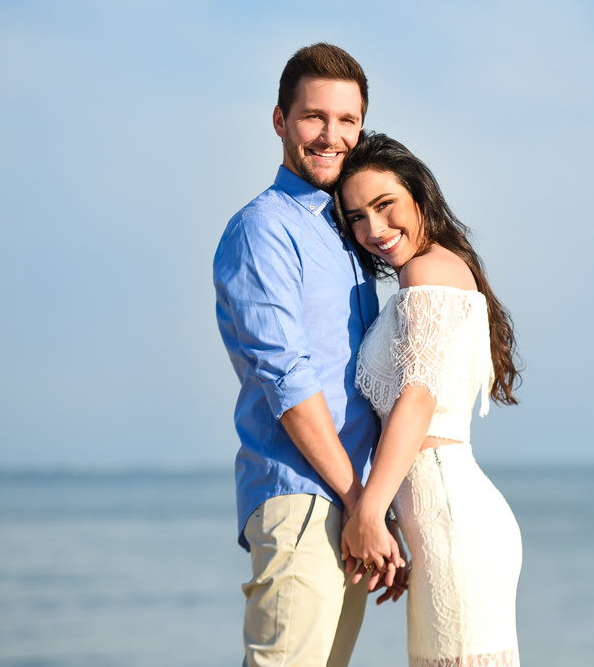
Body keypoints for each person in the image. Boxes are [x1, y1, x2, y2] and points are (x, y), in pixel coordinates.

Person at [213, 43, 403, 667]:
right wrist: (360, 503)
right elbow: (287, 379)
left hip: (349, 502)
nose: (331, 135)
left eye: (347, 121)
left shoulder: (347, 235)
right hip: (303, 497)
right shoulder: (263, 228)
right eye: (314, 117)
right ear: (280, 121)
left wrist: (373, 508)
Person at [336, 132, 523, 667]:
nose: (373, 230)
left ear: (418, 194)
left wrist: (368, 513)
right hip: (443, 521)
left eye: (384, 205)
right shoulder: (434, 271)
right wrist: (392, 520)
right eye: (356, 218)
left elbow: (417, 399)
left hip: (454, 520)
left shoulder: (427, 271)